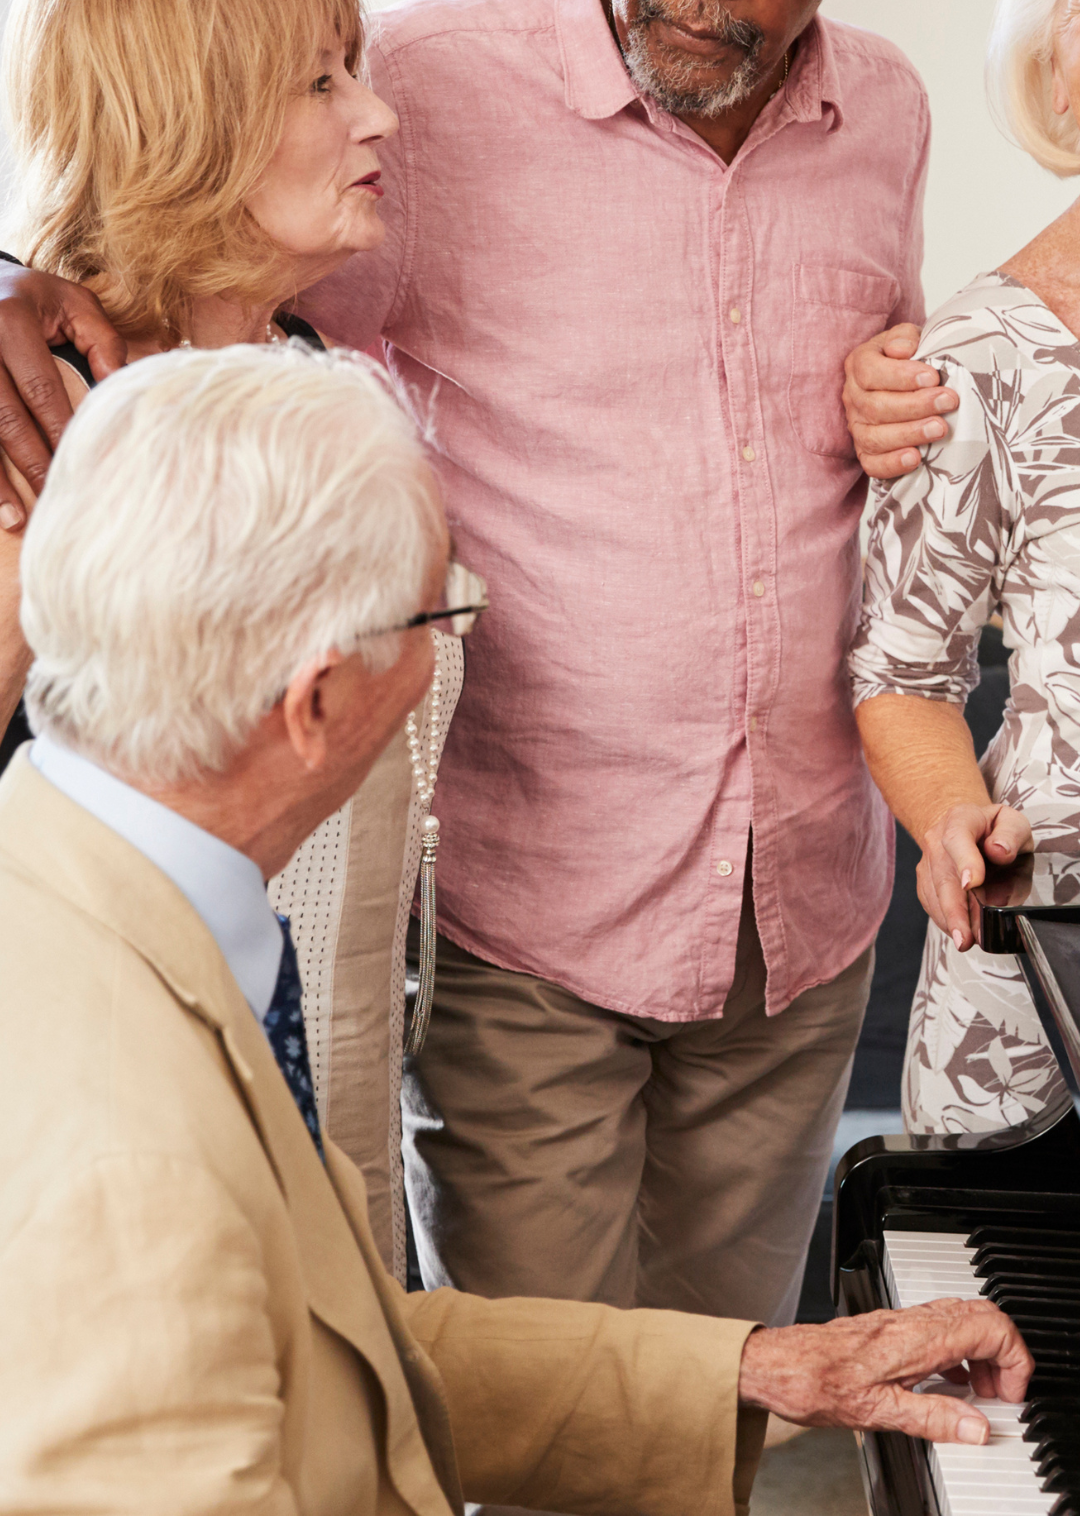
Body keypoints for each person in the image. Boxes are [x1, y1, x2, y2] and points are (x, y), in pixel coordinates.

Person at [0, 0, 930, 1323]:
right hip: (516, 930)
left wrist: (905, 401)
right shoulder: (426, 98)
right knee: (516, 1417)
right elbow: (135, 210)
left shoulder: (891, 117)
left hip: (794, 911)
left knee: (703, 1404)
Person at [0, 339, 1035, 1511]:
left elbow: (350, 1357)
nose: (463, 636)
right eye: (443, 603)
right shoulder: (117, 1162)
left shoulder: (85, 888)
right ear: (318, 699)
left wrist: (757, 1367)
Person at [0, 0, 460, 1266]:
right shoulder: (40, 425)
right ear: (182, 121)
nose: (377, 115)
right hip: (120, 1128)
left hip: (338, 1083)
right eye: (321, 82)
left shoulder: (317, 374)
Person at [847, 0, 1080, 1133]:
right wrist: (951, 825)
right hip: (1037, 978)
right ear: (1056, 67)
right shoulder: (978, 353)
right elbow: (904, 673)